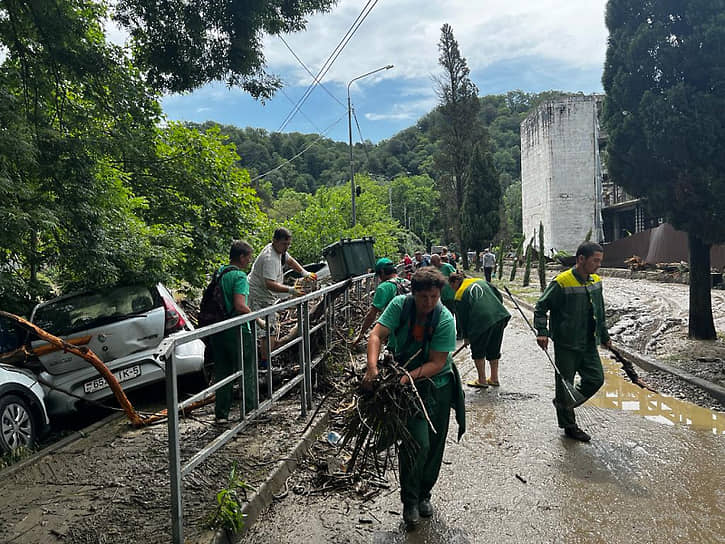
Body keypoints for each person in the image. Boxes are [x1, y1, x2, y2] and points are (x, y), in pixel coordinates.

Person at [363, 268, 465, 528]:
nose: (429, 302)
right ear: (413, 293)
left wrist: (407, 377)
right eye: (423, 297)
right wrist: (373, 368)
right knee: (416, 443)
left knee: (434, 443)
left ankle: (424, 494)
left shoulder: (444, 319)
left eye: (434, 296)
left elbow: (437, 362)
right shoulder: (400, 305)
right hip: (405, 388)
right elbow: (376, 335)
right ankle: (409, 500)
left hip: (437, 385)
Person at [533, 241, 611, 442]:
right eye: (595, 260)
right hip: (566, 343)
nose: (598, 265)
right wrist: (542, 331)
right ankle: (569, 425)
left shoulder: (595, 281)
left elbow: (600, 312)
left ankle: (564, 403)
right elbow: (541, 307)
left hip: (588, 342)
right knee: (564, 383)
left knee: (596, 379)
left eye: (600, 261)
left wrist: (605, 335)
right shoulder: (562, 282)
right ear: (581, 259)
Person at [248, 228, 314, 366]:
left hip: (267, 296)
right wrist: (291, 290)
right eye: (284, 244)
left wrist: (304, 272)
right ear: (275, 241)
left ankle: (267, 356)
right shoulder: (270, 258)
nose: (286, 247)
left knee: (270, 328)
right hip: (258, 296)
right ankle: (265, 363)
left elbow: (289, 260)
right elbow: (269, 284)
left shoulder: (279, 250)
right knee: (267, 329)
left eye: (288, 244)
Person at [209, 240, 257, 421]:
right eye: (248, 257)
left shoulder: (220, 272)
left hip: (218, 328)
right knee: (247, 370)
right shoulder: (239, 276)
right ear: (242, 257)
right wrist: (257, 318)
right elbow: (240, 305)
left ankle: (221, 415)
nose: (249, 261)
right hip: (237, 330)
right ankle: (251, 411)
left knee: (223, 372)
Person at [448, 273, 511, 387]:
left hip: (481, 321)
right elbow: (498, 296)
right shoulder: (480, 281)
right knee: (494, 347)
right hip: (499, 316)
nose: (453, 289)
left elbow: (463, 318)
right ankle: (494, 378)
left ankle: (482, 380)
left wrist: (466, 337)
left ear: (455, 282)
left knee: (478, 350)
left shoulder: (460, 294)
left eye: (451, 286)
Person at [351, 258, 410, 346]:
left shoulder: (384, 287)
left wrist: (361, 333)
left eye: (379, 275)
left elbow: (372, 314)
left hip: (396, 331)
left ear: (382, 272)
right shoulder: (406, 282)